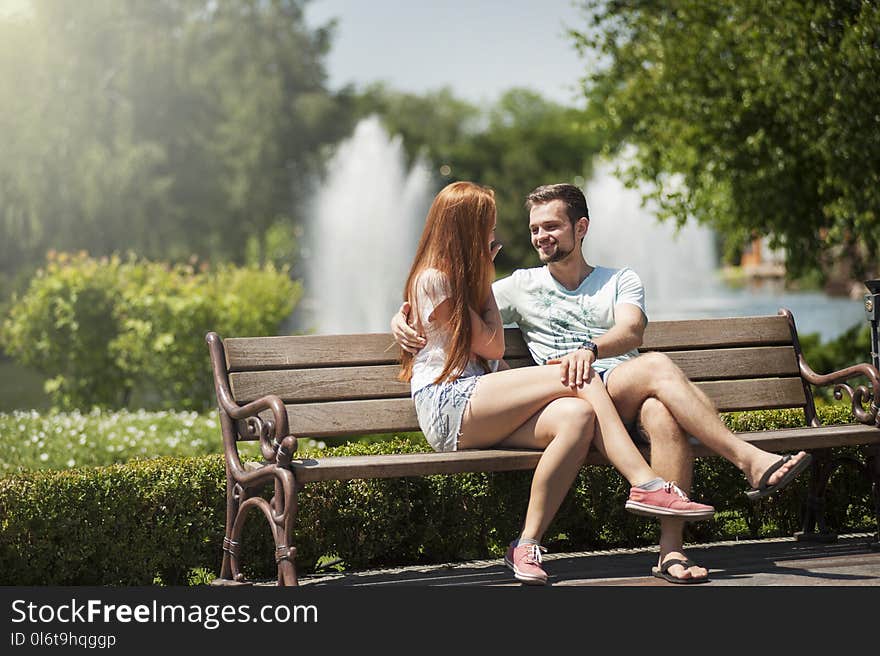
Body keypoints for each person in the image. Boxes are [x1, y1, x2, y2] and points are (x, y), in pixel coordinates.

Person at [393, 182, 811, 584]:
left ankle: (669, 552)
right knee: (598, 381)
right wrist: (401, 319)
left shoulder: (619, 279)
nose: (539, 236)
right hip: (561, 388)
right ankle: (726, 466)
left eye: (551, 226)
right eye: (534, 228)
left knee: (652, 406)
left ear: (581, 227)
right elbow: (453, 313)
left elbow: (632, 333)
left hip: (607, 386)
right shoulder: (518, 284)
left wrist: (589, 348)